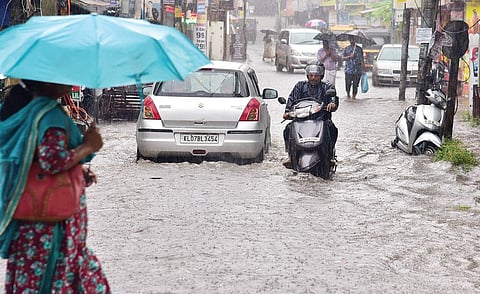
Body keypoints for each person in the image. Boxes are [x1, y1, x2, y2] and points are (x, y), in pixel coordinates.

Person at [0, 80, 110, 293]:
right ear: (47, 81)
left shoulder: (28, 109)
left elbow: (33, 162)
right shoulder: (51, 115)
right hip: (50, 228)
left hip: (32, 221)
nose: (71, 81)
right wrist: (88, 147)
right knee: (52, 280)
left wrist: (78, 172)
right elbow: (52, 161)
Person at [282, 64, 339, 165]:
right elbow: (291, 99)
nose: (313, 78)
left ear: (321, 76)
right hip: (301, 119)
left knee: (332, 129)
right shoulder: (300, 86)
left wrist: (332, 104)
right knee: (287, 129)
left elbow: (333, 98)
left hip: (321, 119)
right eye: (311, 75)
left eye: (316, 75)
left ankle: (330, 155)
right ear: (307, 76)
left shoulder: (327, 87)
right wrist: (287, 112)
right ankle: (290, 156)